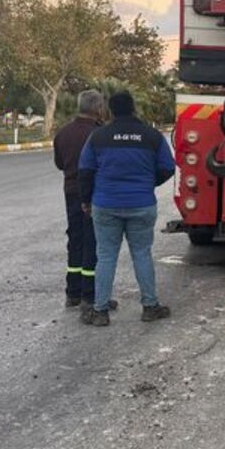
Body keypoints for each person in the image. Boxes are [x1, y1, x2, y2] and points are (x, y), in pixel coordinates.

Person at [78, 91, 175, 326]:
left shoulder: (98, 136)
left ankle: (100, 311)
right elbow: (168, 167)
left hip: (105, 204)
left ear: (110, 111)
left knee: (106, 256)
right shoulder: (152, 136)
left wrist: (86, 200)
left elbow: (85, 171)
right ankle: (150, 306)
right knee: (142, 254)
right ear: (133, 109)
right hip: (141, 204)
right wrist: (147, 182)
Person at [52, 90, 115, 312]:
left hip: (70, 191)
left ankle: (73, 293)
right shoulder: (101, 134)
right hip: (95, 193)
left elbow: (60, 164)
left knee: (75, 237)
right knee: (92, 241)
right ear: (98, 109)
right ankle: (90, 294)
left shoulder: (63, 133)